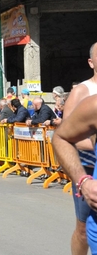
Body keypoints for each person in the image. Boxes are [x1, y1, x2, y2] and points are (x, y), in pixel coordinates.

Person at [55, 42, 97, 255]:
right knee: (82, 228)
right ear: (91, 62)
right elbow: (66, 134)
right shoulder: (83, 91)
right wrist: (93, 143)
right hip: (87, 169)